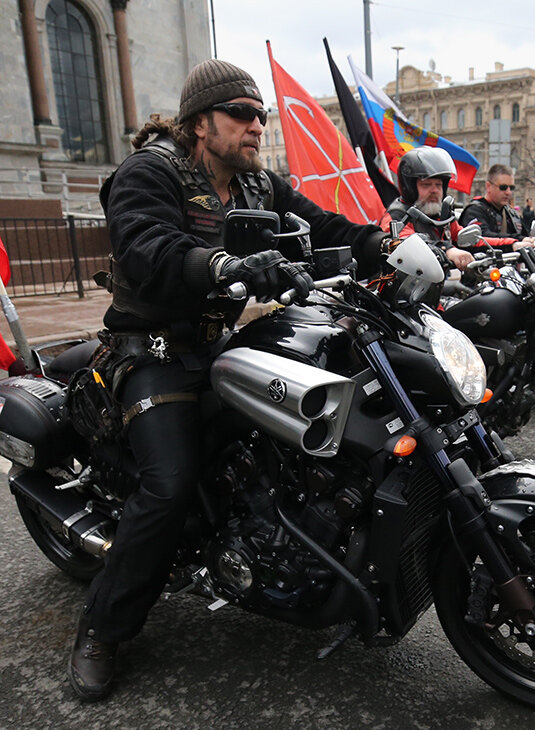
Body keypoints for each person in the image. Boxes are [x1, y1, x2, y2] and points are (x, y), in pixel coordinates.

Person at [69, 59, 393, 701]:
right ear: (200, 122)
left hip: (221, 342)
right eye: (241, 114)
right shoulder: (150, 172)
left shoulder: (254, 184)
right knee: (168, 484)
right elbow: (146, 248)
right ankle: (103, 631)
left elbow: (319, 224)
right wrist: (225, 265)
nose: (255, 127)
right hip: (154, 350)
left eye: (260, 115)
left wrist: (380, 244)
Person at [385, 147, 517, 264]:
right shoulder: (397, 217)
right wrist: (448, 250)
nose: (434, 190)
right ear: (410, 188)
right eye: (426, 185)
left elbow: (468, 239)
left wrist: (513, 244)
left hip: (436, 285)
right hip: (404, 289)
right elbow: (410, 243)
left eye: (438, 185)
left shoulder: (443, 216)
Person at [458, 164, 535, 248]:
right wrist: (517, 241)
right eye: (503, 187)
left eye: (511, 188)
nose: (508, 192)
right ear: (488, 186)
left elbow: (525, 236)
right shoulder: (474, 211)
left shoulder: (512, 214)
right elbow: (482, 237)